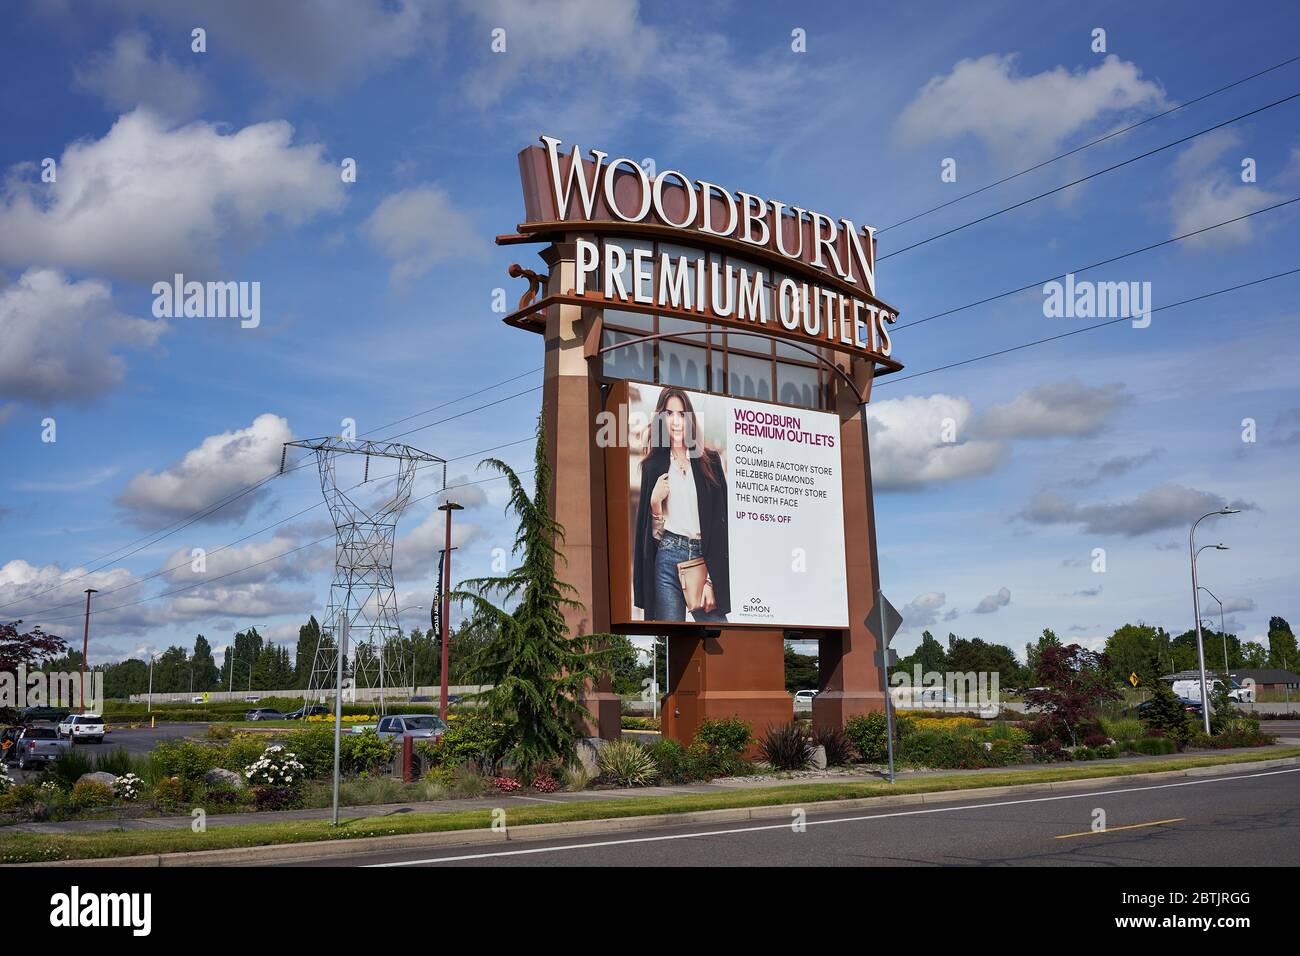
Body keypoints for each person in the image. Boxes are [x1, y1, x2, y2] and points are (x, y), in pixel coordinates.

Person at [632, 387, 730, 622]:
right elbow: (651, 539)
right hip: (667, 556)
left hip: (702, 558)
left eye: (681, 414)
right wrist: (655, 504)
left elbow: (722, 524)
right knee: (674, 637)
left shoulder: (710, 462)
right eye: (669, 414)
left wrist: (710, 579)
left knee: (720, 634)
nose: (675, 422)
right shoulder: (652, 466)